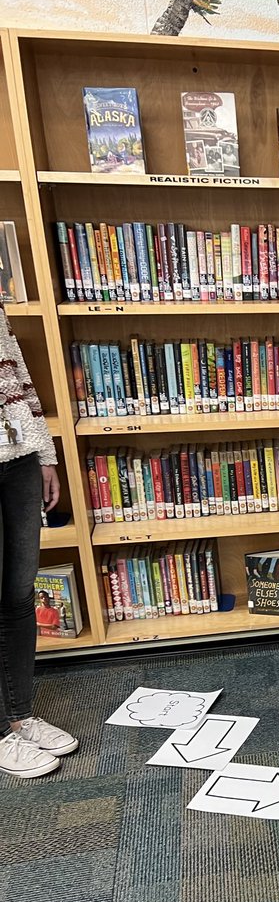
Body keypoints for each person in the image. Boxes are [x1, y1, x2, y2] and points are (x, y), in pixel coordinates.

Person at [0, 308, 78, 778]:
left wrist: (43, 451)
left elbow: (16, 370)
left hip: (17, 456)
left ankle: (19, 715)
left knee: (18, 593)